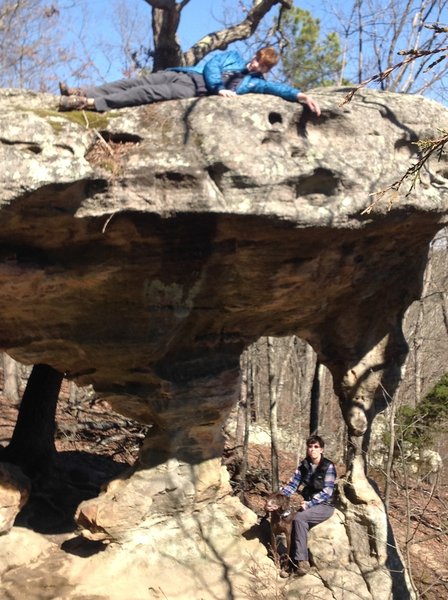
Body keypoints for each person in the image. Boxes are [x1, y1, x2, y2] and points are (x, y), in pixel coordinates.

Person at [58, 46, 321, 115]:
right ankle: (81, 91)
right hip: (187, 73)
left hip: (191, 90)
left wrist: (302, 96)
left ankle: (92, 103)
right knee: (135, 83)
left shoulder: (255, 83)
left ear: (266, 67)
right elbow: (213, 65)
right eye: (257, 59)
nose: (256, 65)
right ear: (254, 55)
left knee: (147, 93)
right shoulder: (233, 56)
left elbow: (277, 88)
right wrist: (219, 88)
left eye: (262, 65)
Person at [279, 434, 336, 577]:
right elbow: (292, 486)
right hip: (308, 503)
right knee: (290, 520)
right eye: (310, 447)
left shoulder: (328, 466)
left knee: (300, 519)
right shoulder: (304, 466)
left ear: (321, 450)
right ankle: (290, 564)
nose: (312, 450)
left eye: (316, 447)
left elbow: (327, 491)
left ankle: (302, 561)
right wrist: (277, 499)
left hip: (325, 505)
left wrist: (310, 504)